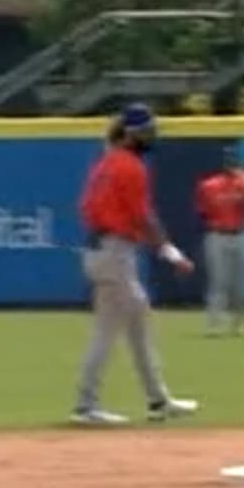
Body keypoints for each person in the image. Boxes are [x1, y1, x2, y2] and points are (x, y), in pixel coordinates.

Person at [70, 102, 198, 426]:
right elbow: (143, 216)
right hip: (114, 251)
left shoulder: (106, 162)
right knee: (109, 331)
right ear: (132, 134)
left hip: (104, 249)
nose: (152, 136)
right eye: (147, 131)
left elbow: (85, 207)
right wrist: (169, 251)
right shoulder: (129, 166)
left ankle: (158, 399)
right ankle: (86, 405)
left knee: (136, 325)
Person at [194, 159, 244, 336]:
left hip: (240, 235)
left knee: (240, 283)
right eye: (229, 165)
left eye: (234, 166)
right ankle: (214, 324)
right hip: (217, 235)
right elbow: (202, 211)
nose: (231, 169)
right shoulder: (209, 185)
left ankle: (238, 324)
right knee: (218, 281)